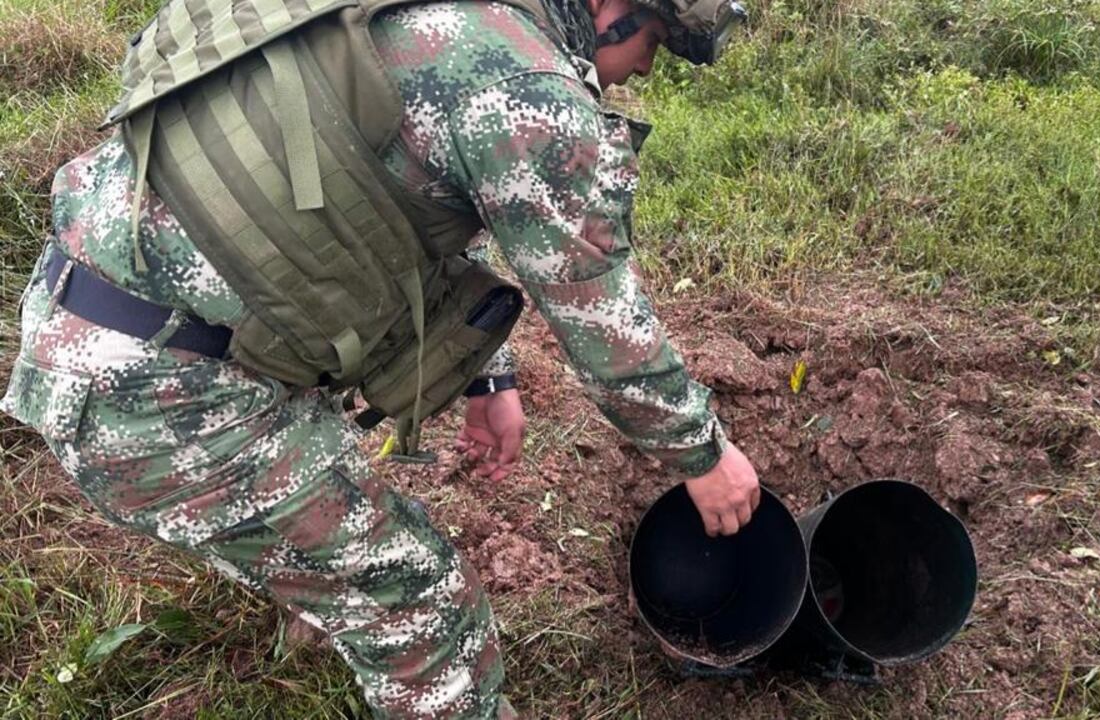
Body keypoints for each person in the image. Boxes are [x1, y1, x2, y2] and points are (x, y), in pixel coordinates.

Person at [1, 0, 756, 716]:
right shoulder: (528, 91)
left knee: (352, 536)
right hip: (160, 398)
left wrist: (489, 375)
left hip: (85, 310)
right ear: (609, 6)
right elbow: (605, 327)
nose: (644, 71)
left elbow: (413, 188)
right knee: (422, 601)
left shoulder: (450, 21)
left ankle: (318, 579)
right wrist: (704, 457)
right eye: (655, 42)